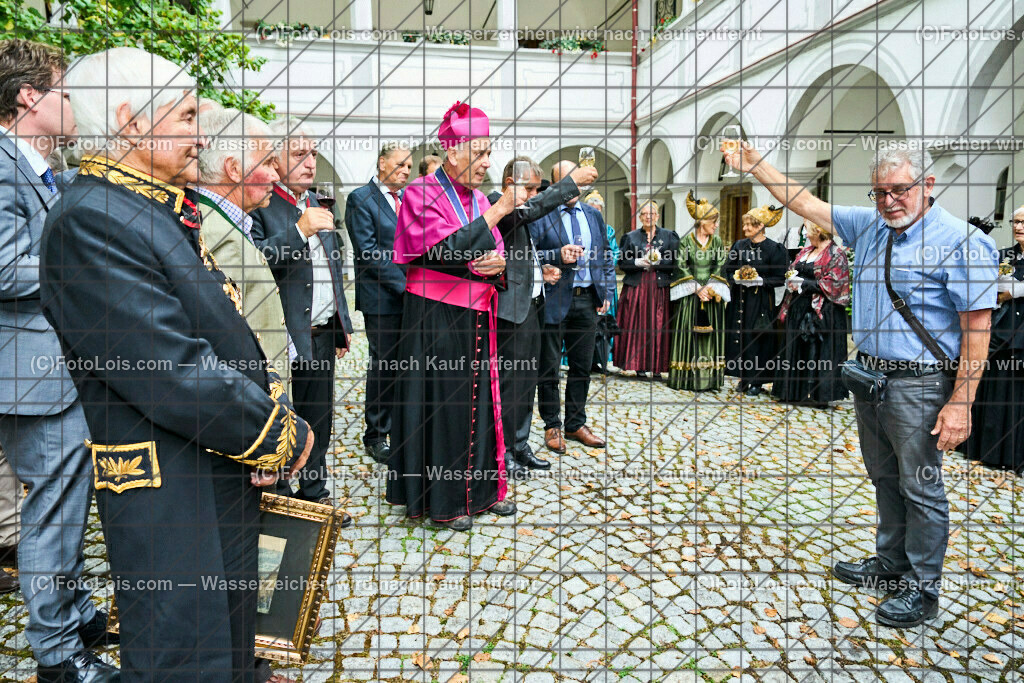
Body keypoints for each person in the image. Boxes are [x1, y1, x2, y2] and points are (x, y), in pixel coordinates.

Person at [40, 47, 313, 679]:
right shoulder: (92, 219)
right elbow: (171, 370)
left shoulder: (143, 204)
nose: (200, 135)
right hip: (170, 482)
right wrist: (277, 434)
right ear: (131, 123)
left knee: (229, 634)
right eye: (187, 117)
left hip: (211, 461)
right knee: (188, 649)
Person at [723, 141, 996, 627]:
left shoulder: (963, 241)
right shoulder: (869, 226)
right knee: (884, 477)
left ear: (928, 184)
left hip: (920, 384)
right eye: (879, 192)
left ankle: (922, 589)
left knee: (921, 487)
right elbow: (804, 202)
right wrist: (755, 165)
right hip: (870, 378)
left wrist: (961, 403)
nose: (889, 201)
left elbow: (977, 328)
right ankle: (891, 564)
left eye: (900, 190)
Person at [0, 39, 120, 682]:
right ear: (29, 97)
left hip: (50, 369)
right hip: (32, 376)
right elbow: (3, 270)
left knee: (65, 504)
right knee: (53, 513)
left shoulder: (39, 167)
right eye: (67, 93)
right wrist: (85, 267)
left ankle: (75, 613)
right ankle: (58, 655)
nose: (76, 106)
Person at [385, 102, 520, 531]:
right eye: (479, 153)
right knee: (445, 409)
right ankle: (445, 501)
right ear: (453, 151)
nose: (487, 162)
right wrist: (498, 211)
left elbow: (494, 250)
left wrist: (500, 265)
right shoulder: (420, 191)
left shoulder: (478, 197)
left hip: (479, 314)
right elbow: (442, 252)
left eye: (489, 152)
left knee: (481, 405)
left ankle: (483, 492)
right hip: (436, 318)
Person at [250, 117, 353, 512]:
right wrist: (298, 232)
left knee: (319, 419)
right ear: (274, 160)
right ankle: (281, 499)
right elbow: (254, 264)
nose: (310, 162)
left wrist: (342, 323)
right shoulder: (262, 204)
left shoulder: (314, 202)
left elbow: (333, 267)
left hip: (322, 334)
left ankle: (314, 492)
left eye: (313, 154)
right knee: (284, 419)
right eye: (299, 154)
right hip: (283, 337)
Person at [488, 156, 598, 478]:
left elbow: (524, 253)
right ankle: (503, 451)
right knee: (510, 385)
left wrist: (542, 269)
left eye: (538, 189)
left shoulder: (522, 206)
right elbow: (525, 215)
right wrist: (570, 185)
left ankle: (520, 446)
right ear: (510, 184)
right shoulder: (497, 203)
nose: (535, 195)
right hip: (511, 311)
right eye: (531, 188)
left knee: (526, 384)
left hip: (534, 305)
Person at [197, 107, 293, 392]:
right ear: (234, 169)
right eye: (268, 162)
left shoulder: (225, 221)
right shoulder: (215, 234)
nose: (276, 175)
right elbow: (225, 349)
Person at [530, 161, 616, 453]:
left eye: (577, 181)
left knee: (582, 366)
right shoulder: (543, 214)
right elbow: (531, 253)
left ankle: (576, 423)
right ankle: (552, 425)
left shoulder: (593, 214)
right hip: (554, 298)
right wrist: (556, 255)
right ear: (555, 184)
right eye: (567, 181)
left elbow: (605, 254)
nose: (573, 187)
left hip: (587, 299)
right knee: (550, 367)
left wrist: (606, 290)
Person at [345, 141, 412, 464]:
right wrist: (405, 286)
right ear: (382, 162)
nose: (406, 171)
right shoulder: (361, 198)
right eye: (400, 165)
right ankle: (376, 434)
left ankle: (400, 427)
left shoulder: (408, 200)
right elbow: (369, 253)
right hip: (382, 300)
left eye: (409, 167)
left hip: (412, 298)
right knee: (384, 366)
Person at [962, 206, 1024, 473]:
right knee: (994, 388)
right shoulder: (1005, 255)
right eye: (1015, 222)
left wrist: (1018, 290)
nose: (1018, 227)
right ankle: (987, 449)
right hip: (1000, 330)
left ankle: (1014, 454)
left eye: (1023, 222)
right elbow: (991, 288)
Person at [772, 219, 851, 407]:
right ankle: (791, 392)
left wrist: (804, 284)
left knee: (819, 352)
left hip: (823, 311)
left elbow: (835, 284)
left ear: (819, 231)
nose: (806, 235)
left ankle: (821, 395)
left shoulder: (836, 254)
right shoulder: (806, 251)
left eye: (808, 231)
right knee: (795, 348)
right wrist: (791, 280)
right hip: (798, 307)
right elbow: (792, 269)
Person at [722, 205, 788, 396]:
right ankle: (743, 377)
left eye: (749, 225)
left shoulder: (774, 249)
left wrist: (760, 281)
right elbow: (727, 269)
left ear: (760, 226)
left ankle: (757, 381)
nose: (745, 229)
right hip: (739, 299)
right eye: (744, 225)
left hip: (761, 301)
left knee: (758, 338)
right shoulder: (739, 246)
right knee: (739, 337)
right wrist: (735, 279)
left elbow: (780, 277)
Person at [668, 192, 730, 392]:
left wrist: (710, 288)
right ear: (702, 222)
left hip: (711, 295)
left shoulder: (717, 242)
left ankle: (709, 380)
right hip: (690, 297)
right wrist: (696, 288)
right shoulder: (686, 241)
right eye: (714, 221)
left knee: (709, 338)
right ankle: (686, 379)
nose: (716, 225)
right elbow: (681, 266)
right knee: (688, 335)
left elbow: (720, 265)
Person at [614, 200, 679, 377]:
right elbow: (622, 263)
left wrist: (659, 262)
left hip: (659, 287)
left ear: (657, 216)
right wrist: (637, 262)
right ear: (640, 217)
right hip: (637, 287)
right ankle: (639, 366)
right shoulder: (630, 237)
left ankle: (658, 367)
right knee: (638, 325)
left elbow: (675, 262)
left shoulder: (669, 236)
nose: (648, 217)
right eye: (644, 214)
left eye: (652, 214)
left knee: (659, 325)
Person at [583, 190, 620, 372]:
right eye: (592, 208)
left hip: (604, 281)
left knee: (604, 323)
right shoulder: (581, 225)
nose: (595, 212)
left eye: (597, 209)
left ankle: (602, 358)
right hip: (586, 281)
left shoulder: (608, 230)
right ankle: (585, 360)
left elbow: (613, 254)